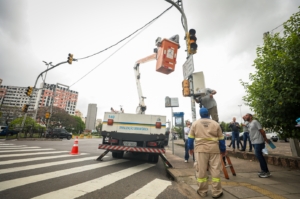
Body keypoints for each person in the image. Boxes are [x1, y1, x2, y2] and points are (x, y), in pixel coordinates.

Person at [188, 108, 226, 198]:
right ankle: (216, 192)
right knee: (215, 170)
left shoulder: (195, 124)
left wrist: (190, 148)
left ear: (200, 114)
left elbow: (190, 138)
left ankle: (202, 192)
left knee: (201, 170)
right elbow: (221, 139)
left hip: (200, 150)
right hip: (214, 149)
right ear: (208, 114)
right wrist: (223, 150)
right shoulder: (216, 124)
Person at [245, 113, 271, 178]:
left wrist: (265, 138)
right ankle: (264, 170)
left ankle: (266, 171)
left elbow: (261, 130)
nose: (245, 116)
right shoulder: (249, 124)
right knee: (259, 155)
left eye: (247, 115)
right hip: (253, 141)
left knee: (258, 155)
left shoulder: (255, 122)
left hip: (258, 141)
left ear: (251, 117)